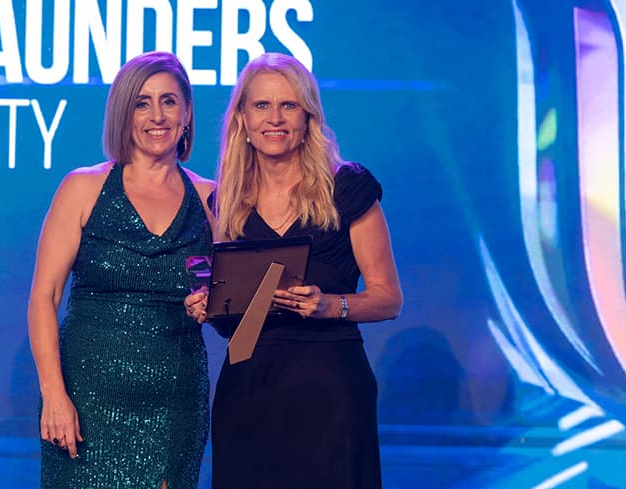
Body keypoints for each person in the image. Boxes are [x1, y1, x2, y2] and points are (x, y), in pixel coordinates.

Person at [185, 52, 403, 488]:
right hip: (249, 389)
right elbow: (234, 326)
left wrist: (329, 305)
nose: (275, 118)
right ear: (242, 119)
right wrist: (210, 307)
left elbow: (388, 298)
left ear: (308, 117)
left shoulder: (348, 188)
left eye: (289, 105)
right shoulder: (224, 206)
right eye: (262, 106)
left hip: (331, 388)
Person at [28, 51, 214, 489]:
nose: (157, 115)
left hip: (175, 403)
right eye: (141, 102)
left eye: (169, 101)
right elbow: (43, 297)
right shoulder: (83, 187)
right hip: (86, 402)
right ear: (123, 113)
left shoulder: (211, 199)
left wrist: (212, 307)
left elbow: (230, 305)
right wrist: (54, 394)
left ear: (187, 113)